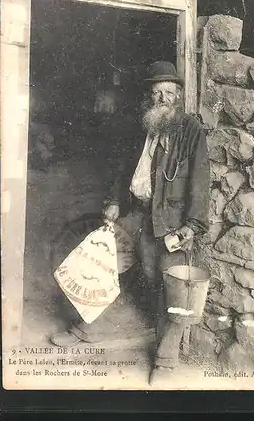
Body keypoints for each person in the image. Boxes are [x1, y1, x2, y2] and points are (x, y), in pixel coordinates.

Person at [51, 61, 210, 386]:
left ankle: (166, 363)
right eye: (156, 93)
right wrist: (113, 202)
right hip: (135, 213)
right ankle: (84, 330)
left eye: (168, 92)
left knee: (171, 291)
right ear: (149, 97)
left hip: (168, 222)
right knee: (101, 265)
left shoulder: (190, 130)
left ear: (179, 95)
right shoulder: (144, 125)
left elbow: (200, 181)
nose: (162, 98)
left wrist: (192, 226)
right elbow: (124, 169)